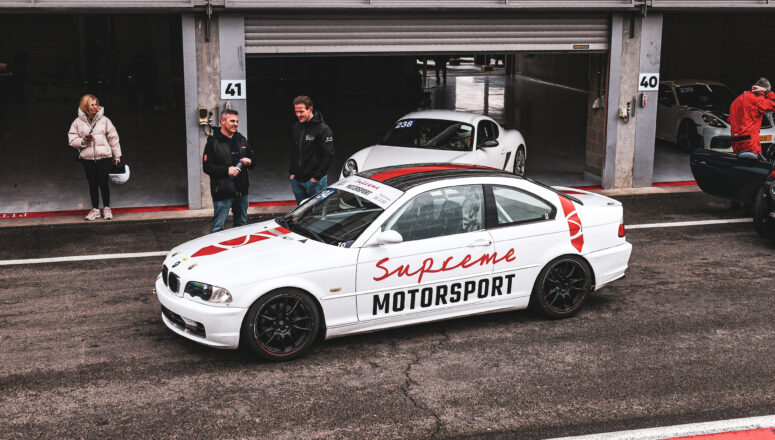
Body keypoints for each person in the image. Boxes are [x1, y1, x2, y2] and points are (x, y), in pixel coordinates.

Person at [68, 94, 121, 221]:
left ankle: (107, 208)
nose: (95, 107)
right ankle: (95, 209)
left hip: (104, 157)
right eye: (92, 104)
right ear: (85, 106)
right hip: (87, 158)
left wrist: (117, 156)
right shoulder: (77, 122)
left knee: (103, 183)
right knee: (92, 183)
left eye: (96, 104)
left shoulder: (105, 120)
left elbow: (113, 138)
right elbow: (72, 140)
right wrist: (84, 141)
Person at [203, 109, 256, 233]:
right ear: (222, 121)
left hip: (242, 192)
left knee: (241, 225)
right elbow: (207, 167)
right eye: (232, 121)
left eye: (237, 121)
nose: (235, 124)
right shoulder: (213, 142)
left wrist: (249, 161)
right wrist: (227, 170)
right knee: (218, 228)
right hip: (222, 192)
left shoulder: (241, 139)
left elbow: (253, 159)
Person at [289, 96, 335, 204]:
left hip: (315, 182)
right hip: (297, 181)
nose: (298, 115)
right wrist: (292, 173)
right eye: (296, 112)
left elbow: (329, 155)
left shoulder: (323, 129)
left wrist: (316, 178)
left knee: (318, 212)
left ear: (310, 109)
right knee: (301, 211)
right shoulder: (296, 127)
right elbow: (294, 152)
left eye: (301, 111)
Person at [729, 77, 775, 156]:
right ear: (762, 90)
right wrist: (768, 93)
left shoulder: (736, 100)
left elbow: (730, 119)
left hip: (735, 142)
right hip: (749, 142)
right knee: (754, 163)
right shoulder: (757, 100)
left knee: (739, 163)